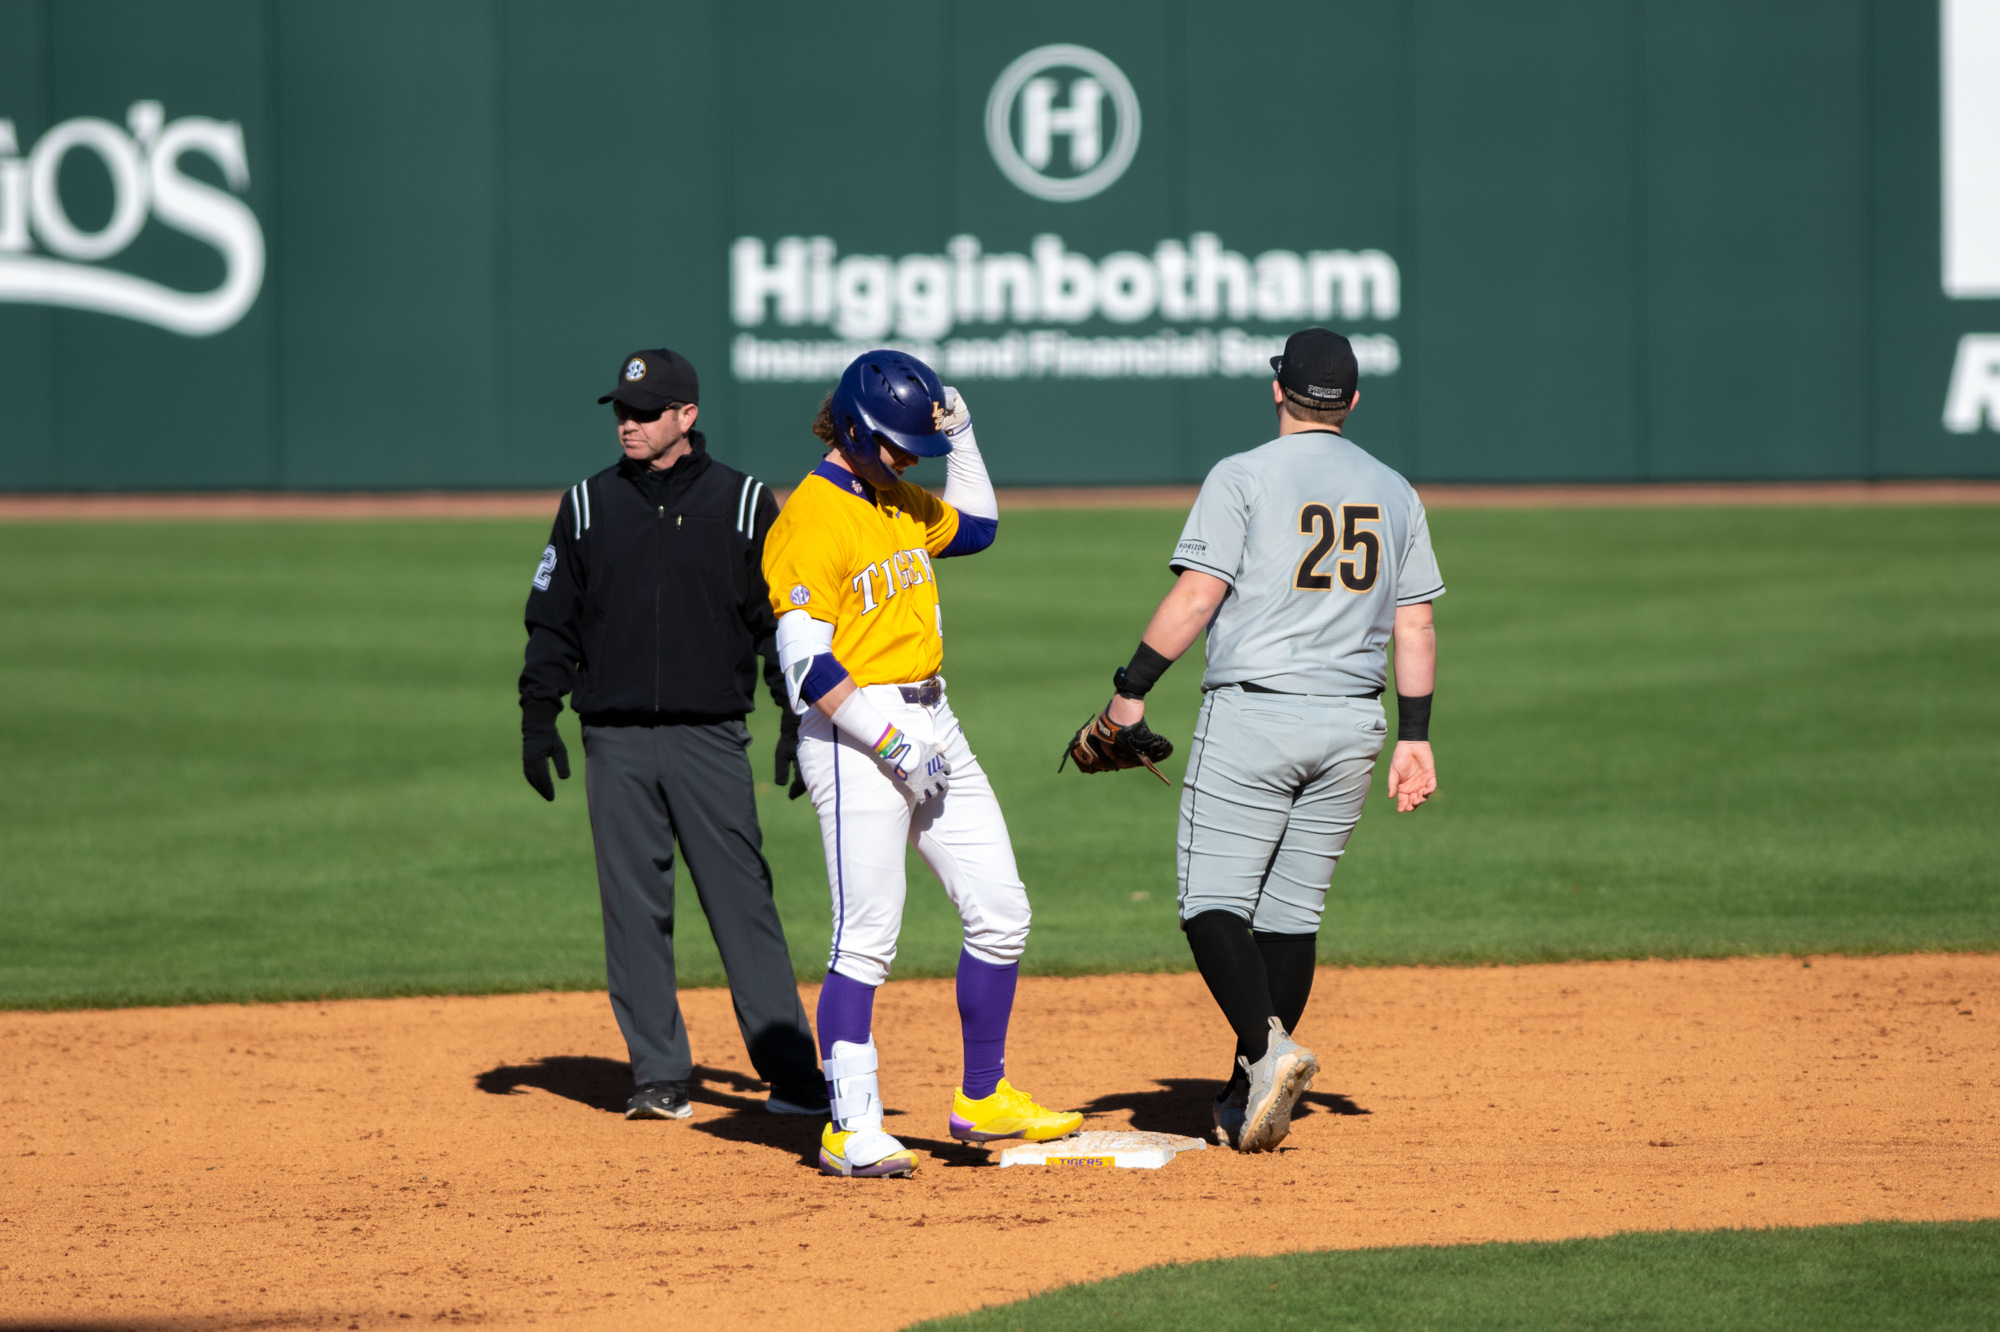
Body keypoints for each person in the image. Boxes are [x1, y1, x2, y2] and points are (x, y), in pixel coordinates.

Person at [1069, 327, 1443, 1153]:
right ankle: (1248, 1091)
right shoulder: (1394, 489)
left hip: (1256, 715)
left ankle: (1268, 1052)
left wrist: (1129, 691)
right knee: (1290, 915)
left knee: (1211, 904)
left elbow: (1200, 596)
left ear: (1279, 389)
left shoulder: (1242, 476)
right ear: (1352, 401)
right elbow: (1414, 623)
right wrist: (1414, 739)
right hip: (1354, 724)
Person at [762, 349, 1083, 1179]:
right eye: (900, 445)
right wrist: (890, 741)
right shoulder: (809, 518)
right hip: (854, 737)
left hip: (935, 718)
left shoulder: (897, 499)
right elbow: (806, 665)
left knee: (1002, 909)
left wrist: (965, 435)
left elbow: (977, 528)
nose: (912, 459)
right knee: (866, 937)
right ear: (858, 431)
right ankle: (850, 1125)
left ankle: (983, 1095)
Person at [519, 347, 826, 1122]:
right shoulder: (587, 506)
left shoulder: (748, 503)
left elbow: (781, 626)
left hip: (711, 738)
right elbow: (550, 622)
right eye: (621, 412)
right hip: (614, 741)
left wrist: (797, 718)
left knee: (741, 903)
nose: (628, 424)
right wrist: (537, 713)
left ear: (686, 417)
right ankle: (659, 1072)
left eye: (645, 413)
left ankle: (791, 1073)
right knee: (633, 910)